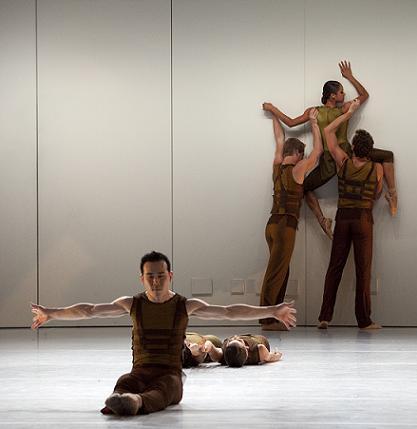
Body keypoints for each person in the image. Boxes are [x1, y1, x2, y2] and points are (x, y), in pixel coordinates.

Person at [30, 251, 296, 416]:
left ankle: (136, 403)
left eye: (160, 276)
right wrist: (51, 313)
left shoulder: (184, 305)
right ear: (141, 278)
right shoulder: (132, 303)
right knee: (125, 381)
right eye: (150, 276)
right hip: (140, 370)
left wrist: (272, 310)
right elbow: (89, 310)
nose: (155, 281)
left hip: (170, 375)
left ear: (170, 275)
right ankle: (123, 398)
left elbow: (228, 312)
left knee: (164, 390)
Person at [263, 60, 397, 239]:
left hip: (340, 156)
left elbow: (290, 122)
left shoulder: (328, 110)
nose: (344, 94)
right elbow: (291, 123)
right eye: (341, 91)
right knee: (305, 188)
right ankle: (324, 220)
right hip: (338, 158)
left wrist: (272, 109)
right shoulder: (337, 110)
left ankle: (391, 196)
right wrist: (273, 109)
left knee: (385, 157)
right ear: (333, 96)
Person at [317, 99, 382, 330]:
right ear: (369, 150)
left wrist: (348, 113)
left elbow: (327, 132)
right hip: (363, 219)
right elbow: (377, 194)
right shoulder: (377, 168)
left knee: (335, 267)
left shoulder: (343, 162)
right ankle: (364, 321)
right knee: (363, 271)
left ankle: (324, 317)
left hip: (343, 218)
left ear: (353, 147)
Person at [259, 108, 322, 331]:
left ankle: (274, 316)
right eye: (301, 155)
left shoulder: (277, 164)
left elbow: (279, 138)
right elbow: (318, 152)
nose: (302, 159)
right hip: (285, 226)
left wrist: (274, 114)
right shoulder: (298, 168)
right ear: (296, 153)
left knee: (282, 271)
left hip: (271, 225)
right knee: (275, 274)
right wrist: (314, 122)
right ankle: (267, 320)